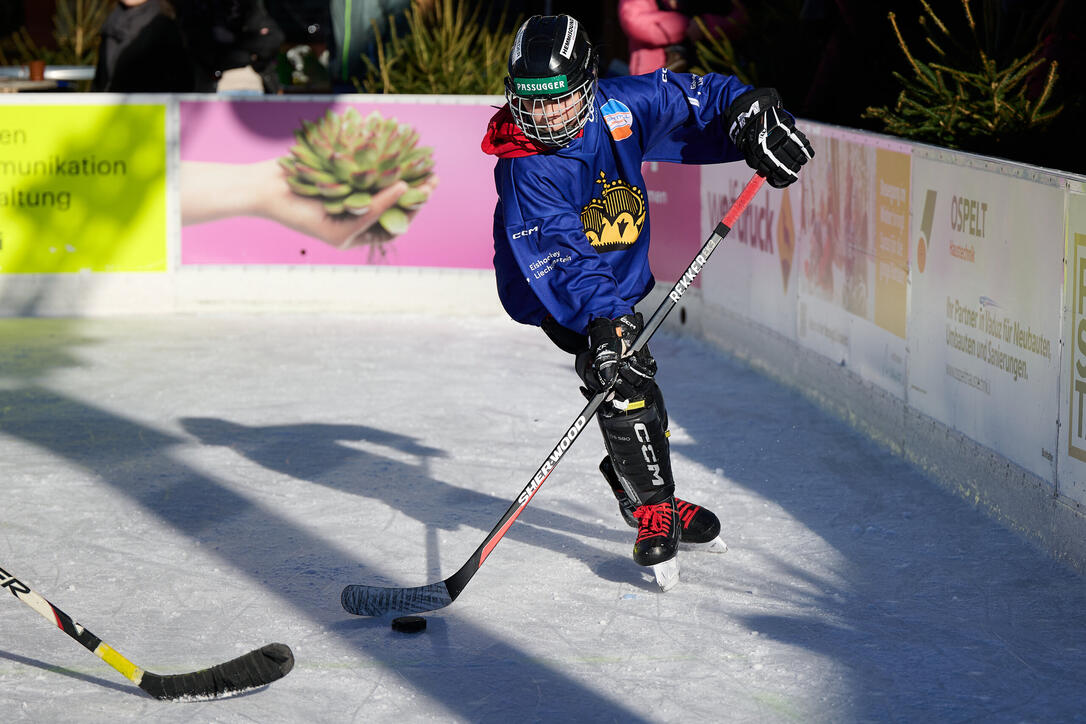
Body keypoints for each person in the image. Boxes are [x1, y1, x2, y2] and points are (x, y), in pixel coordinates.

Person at [481, 14, 812, 589]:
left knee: (632, 376)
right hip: (559, 289)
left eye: (559, 102)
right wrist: (605, 323)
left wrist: (750, 118)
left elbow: (696, 96)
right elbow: (561, 253)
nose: (545, 118)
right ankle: (652, 508)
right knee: (620, 377)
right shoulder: (524, 164)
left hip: (621, 274)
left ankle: (640, 482)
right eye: (531, 103)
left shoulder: (618, 106)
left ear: (587, 86)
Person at [618, 0, 747, 76]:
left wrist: (706, 25)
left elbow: (742, 19)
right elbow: (634, 21)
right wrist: (688, 26)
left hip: (717, 67)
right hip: (655, 72)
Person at [93, 0, 197, 92]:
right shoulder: (111, 21)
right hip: (109, 110)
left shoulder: (162, 24)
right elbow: (101, 80)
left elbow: (182, 81)